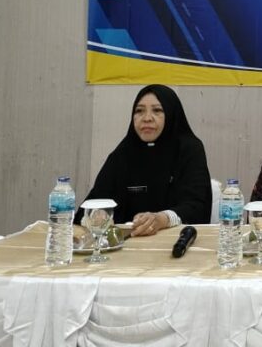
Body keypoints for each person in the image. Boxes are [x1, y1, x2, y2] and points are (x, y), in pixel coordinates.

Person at [79, 84, 211, 236]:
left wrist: (162, 219)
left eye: (157, 110)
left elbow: (196, 207)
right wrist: (96, 215)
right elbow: (91, 204)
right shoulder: (123, 153)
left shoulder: (188, 149)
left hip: (176, 242)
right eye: (139, 111)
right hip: (127, 244)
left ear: (171, 113)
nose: (147, 118)